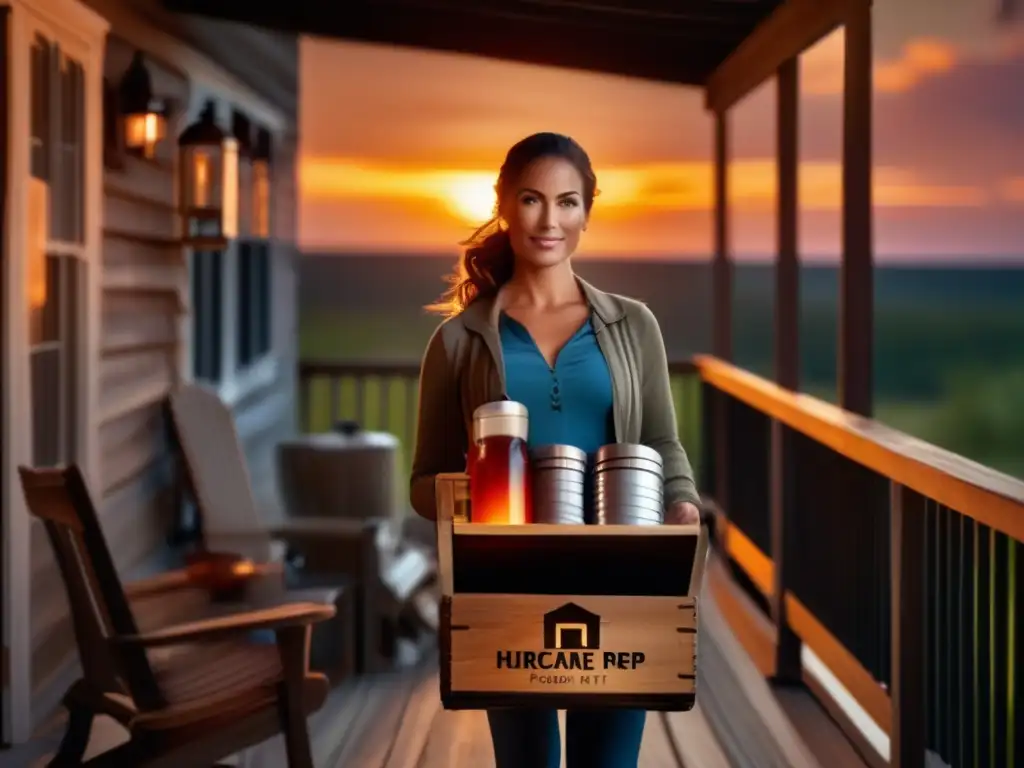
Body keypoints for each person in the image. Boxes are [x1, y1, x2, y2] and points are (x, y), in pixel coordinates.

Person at [409, 132, 701, 768]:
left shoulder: (633, 325)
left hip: (623, 579)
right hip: (506, 585)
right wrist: (473, 489)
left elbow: (662, 441)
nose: (550, 220)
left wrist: (681, 504)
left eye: (568, 203)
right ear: (505, 205)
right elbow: (422, 481)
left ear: (587, 213)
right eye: (533, 199)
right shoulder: (458, 342)